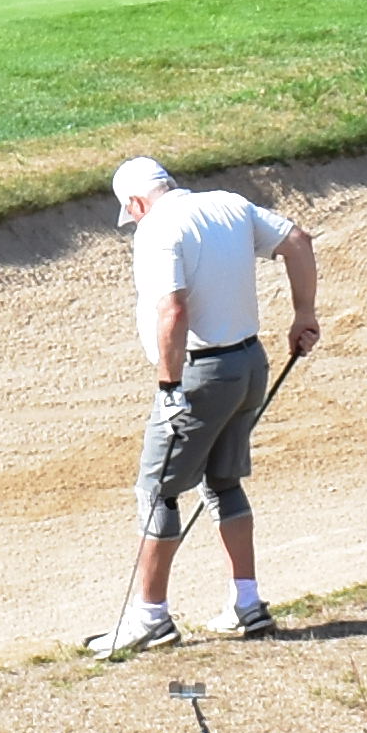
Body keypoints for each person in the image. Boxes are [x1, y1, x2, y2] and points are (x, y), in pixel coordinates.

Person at [87, 150, 315, 660]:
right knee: (222, 483)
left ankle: (150, 616)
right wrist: (304, 314)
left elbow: (173, 310)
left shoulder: (156, 230)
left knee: (156, 493)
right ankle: (247, 603)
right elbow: (297, 241)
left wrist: (170, 389)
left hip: (200, 375)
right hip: (248, 364)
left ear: (135, 203)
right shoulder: (229, 204)